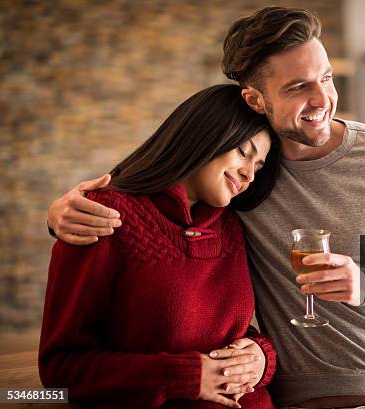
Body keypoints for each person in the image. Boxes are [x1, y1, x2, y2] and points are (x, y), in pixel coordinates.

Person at [47, 7, 365, 409]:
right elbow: (165, 195)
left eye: (326, 78)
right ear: (254, 99)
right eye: (298, 87)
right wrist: (66, 212)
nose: (323, 99)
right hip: (286, 400)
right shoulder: (241, 183)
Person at [39, 84, 281, 409]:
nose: (249, 174)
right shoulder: (102, 215)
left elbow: (223, 332)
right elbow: (61, 370)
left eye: (259, 165)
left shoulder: (233, 225)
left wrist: (259, 357)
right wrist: (183, 378)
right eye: (243, 152)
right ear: (204, 136)